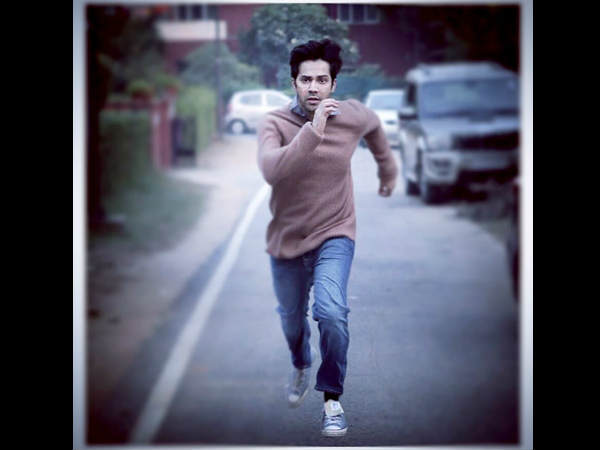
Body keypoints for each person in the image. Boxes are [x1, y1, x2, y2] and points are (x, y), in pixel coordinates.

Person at [257, 38, 397, 437]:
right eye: (306, 80)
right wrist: (313, 131)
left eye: (322, 80)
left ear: (334, 84)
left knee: (332, 312)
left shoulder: (350, 116)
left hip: (335, 233)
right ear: (294, 83)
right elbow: (272, 170)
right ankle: (301, 363)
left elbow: (374, 126)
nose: (314, 88)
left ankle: (332, 400)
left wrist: (387, 169)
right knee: (291, 321)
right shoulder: (274, 123)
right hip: (287, 240)